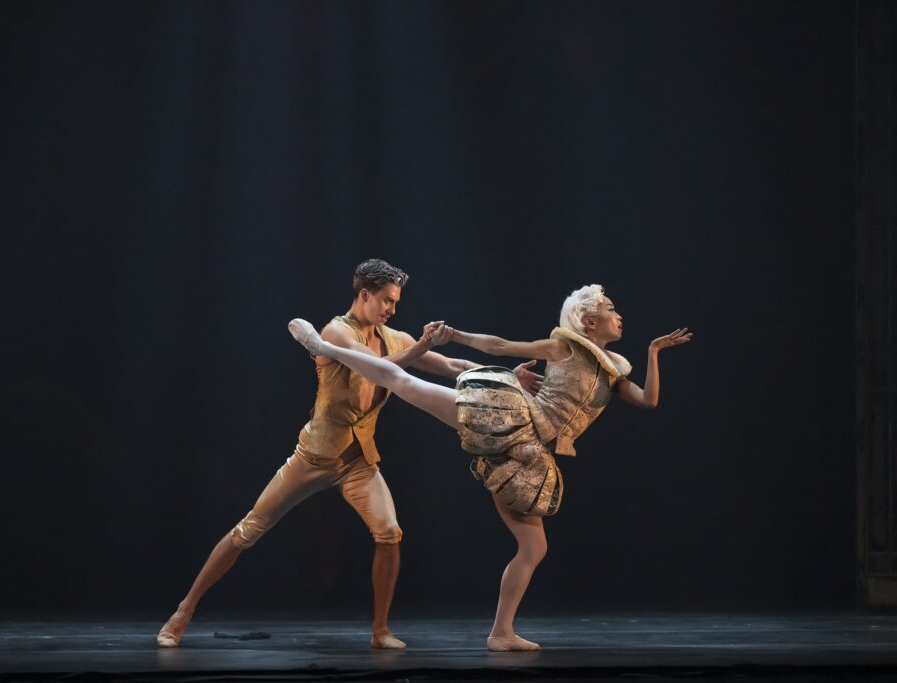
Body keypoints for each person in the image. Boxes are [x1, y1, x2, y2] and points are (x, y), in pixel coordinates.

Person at [157, 259, 542, 649]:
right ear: (364, 295)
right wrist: (422, 345)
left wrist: (511, 379)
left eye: (395, 302)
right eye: (387, 301)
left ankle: (380, 631)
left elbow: (454, 366)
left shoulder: (395, 337)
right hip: (314, 457)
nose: (392, 309)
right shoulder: (335, 332)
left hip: (358, 461)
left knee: (389, 532)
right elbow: (379, 369)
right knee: (248, 530)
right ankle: (182, 613)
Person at [287, 283, 692, 651]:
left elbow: (648, 400)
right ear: (588, 321)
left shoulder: (614, 369)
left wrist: (653, 353)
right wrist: (456, 336)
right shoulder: (566, 348)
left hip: (530, 454)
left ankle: (501, 633)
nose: (619, 316)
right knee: (407, 384)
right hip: (510, 418)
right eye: (610, 309)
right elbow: (500, 346)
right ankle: (327, 349)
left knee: (534, 547)